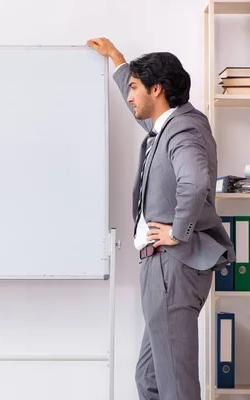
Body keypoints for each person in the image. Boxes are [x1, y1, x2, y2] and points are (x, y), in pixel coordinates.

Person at [86, 38, 236, 400]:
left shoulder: (183, 129)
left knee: (175, 386)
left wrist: (178, 232)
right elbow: (140, 106)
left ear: (157, 89)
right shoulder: (168, 126)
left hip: (172, 265)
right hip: (165, 268)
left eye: (136, 88)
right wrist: (118, 61)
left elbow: (197, 180)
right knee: (150, 379)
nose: (130, 96)